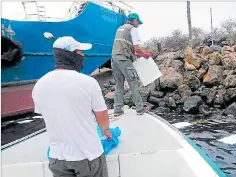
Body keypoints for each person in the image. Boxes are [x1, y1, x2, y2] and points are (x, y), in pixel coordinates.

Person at [32, 36, 111, 177]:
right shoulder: (87, 83)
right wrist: (106, 131)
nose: (83, 56)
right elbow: (102, 117)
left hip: (57, 158)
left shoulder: (39, 85)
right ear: (72, 55)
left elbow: (48, 115)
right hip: (87, 155)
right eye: (81, 53)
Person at [111, 12, 151, 116]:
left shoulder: (120, 28)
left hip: (114, 58)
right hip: (124, 58)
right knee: (133, 83)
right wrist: (145, 54)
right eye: (138, 22)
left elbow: (131, 49)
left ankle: (117, 110)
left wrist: (138, 55)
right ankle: (140, 109)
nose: (138, 25)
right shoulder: (133, 29)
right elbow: (137, 49)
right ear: (135, 20)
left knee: (119, 85)